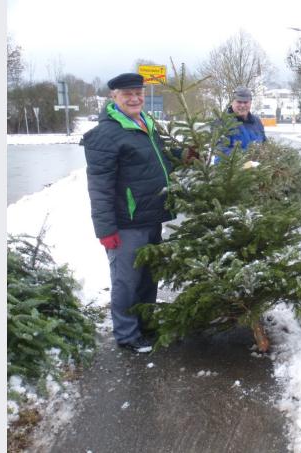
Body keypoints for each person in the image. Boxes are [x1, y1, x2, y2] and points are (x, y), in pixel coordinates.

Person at [81, 73, 173, 353]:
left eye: (138, 93)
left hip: (152, 215)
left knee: (148, 276)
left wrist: (182, 157)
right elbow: (100, 188)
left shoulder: (144, 123)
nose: (134, 98)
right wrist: (106, 230)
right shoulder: (105, 135)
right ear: (114, 97)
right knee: (127, 280)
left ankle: (145, 325)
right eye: (127, 94)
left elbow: (156, 159)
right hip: (126, 223)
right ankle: (127, 334)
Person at [218, 86, 267, 158]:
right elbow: (220, 152)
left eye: (245, 102)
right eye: (239, 102)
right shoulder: (222, 122)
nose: (242, 105)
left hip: (258, 167)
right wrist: (247, 158)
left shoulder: (257, 122)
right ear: (232, 102)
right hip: (233, 168)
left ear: (250, 103)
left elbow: (264, 143)